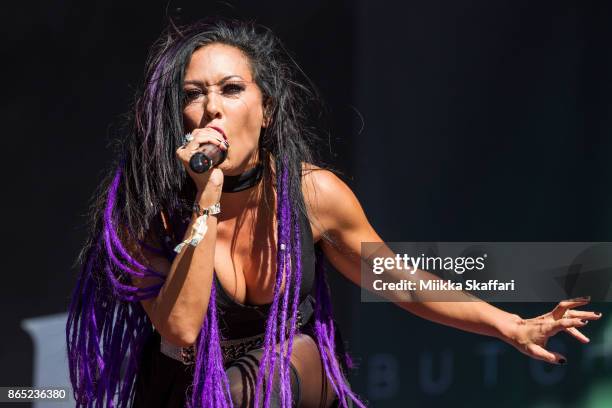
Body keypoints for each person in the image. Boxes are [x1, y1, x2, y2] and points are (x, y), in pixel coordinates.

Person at [66, 19, 602, 408]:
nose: (212, 108)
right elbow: (181, 330)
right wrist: (207, 197)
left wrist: (510, 325)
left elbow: (396, 278)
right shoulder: (149, 214)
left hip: (291, 378)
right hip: (188, 393)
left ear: (266, 109)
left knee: (295, 352)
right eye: (193, 95)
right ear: (178, 116)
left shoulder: (313, 194)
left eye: (231, 90)